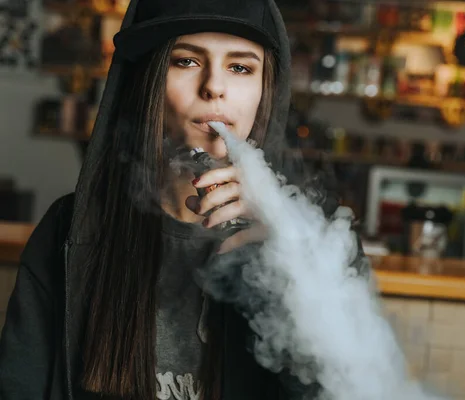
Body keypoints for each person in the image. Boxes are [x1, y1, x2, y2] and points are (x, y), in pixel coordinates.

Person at [0, 0, 369, 399]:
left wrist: (290, 259)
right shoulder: (69, 230)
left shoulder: (317, 242)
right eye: (186, 62)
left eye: (241, 67)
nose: (214, 85)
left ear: (267, 90)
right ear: (148, 81)